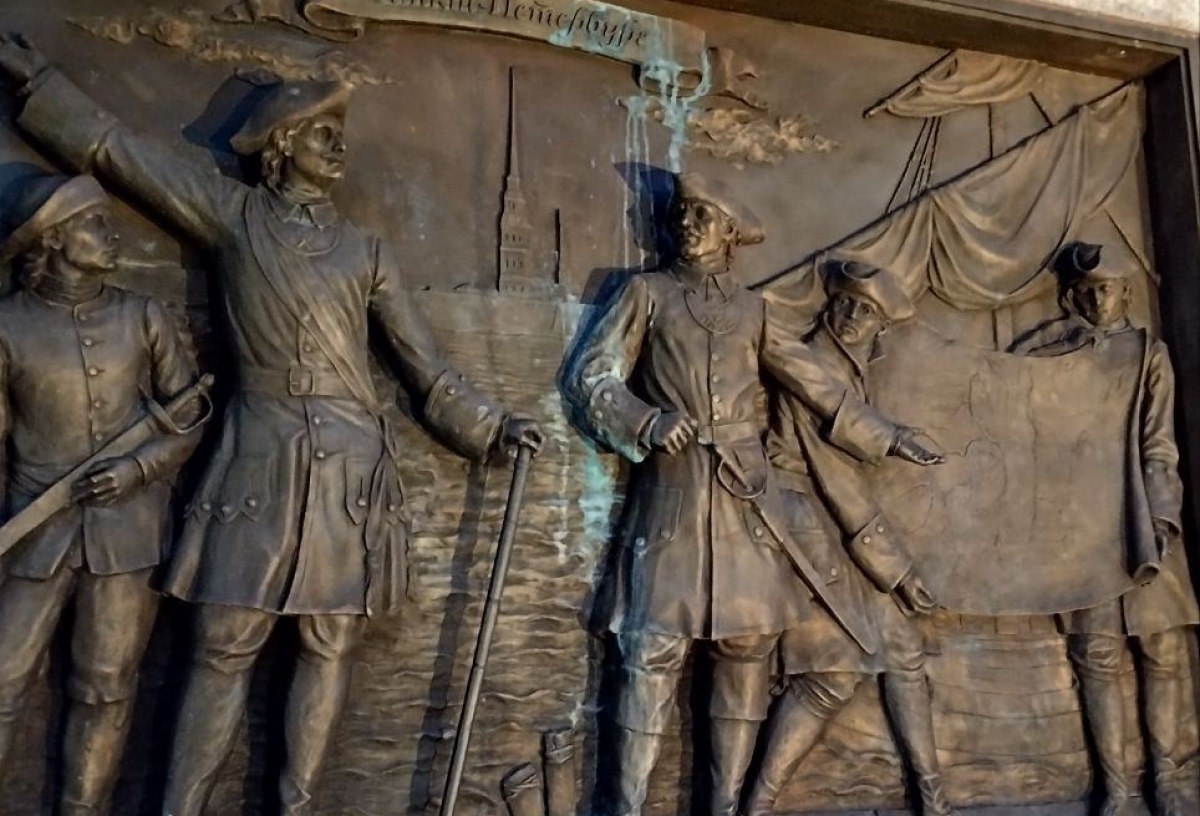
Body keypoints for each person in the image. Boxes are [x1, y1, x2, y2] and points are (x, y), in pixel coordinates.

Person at [0, 36, 543, 816]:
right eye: (323, 133)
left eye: (339, 133)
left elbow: (426, 372)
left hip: (348, 474)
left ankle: (296, 806)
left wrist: (489, 428)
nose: (339, 146)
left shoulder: (366, 251)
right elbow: (118, 153)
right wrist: (39, 82)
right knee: (223, 644)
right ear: (282, 146)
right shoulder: (235, 218)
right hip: (258, 460)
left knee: (329, 644)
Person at [564, 173, 943, 816]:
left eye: (703, 215)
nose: (687, 224)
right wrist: (645, 421)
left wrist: (890, 437)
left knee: (745, 654)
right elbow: (592, 376)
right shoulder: (646, 294)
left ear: (731, 233)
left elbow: (818, 386)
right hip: (673, 501)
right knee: (652, 651)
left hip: (746, 506)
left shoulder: (755, 311)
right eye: (683, 213)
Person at [0, 172, 205, 816]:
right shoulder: (6, 326)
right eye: (93, 224)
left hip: (126, 533)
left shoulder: (142, 315)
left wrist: (138, 470)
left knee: (106, 686)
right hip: (33, 530)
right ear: (52, 239)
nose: (111, 235)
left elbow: (189, 415)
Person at [747, 260, 954, 816]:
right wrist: (899, 571)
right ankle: (757, 806)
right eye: (845, 302)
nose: (852, 315)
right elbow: (837, 480)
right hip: (801, 529)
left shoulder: (849, 369)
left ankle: (932, 800)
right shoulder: (813, 366)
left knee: (904, 650)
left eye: (867, 310)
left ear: (882, 324)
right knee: (830, 675)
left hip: (836, 531)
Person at [1011, 243, 1199, 816]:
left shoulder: (1148, 354)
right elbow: (1006, 381)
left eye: (1107, 288)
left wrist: (1162, 515)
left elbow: (1159, 442)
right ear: (1073, 297)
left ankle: (1172, 777)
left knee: (1163, 647)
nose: (1097, 299)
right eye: (1086, 291)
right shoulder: (1055, 350)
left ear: (1126, 293)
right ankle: (1119, 789)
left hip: (1142, 514)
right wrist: (1057, 335)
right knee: (1096, 654)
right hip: (1080, 525)